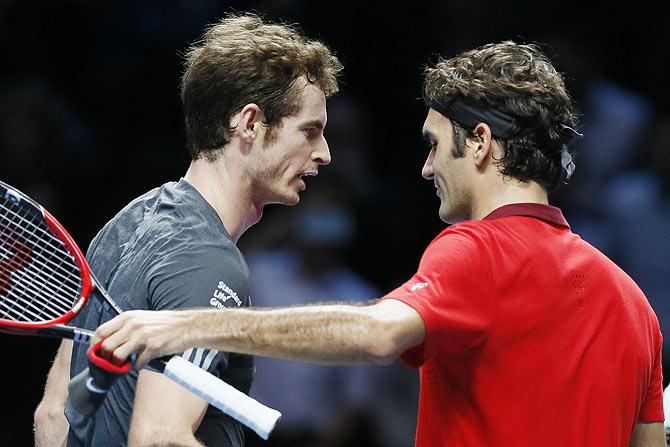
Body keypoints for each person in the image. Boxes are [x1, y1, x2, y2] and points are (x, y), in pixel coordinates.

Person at [92, 41, 664, 446]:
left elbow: (378, 333)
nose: (425, 168)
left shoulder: (477, 248)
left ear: (482, 143)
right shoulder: (636, 307)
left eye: (434, 145)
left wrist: (183, 325)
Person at [33, 13, 342, 447]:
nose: (324, 153)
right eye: (309, 132)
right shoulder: (210, 262)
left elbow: (53, 415)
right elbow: (160, 437)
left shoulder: (128, 222)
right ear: (250, 124)